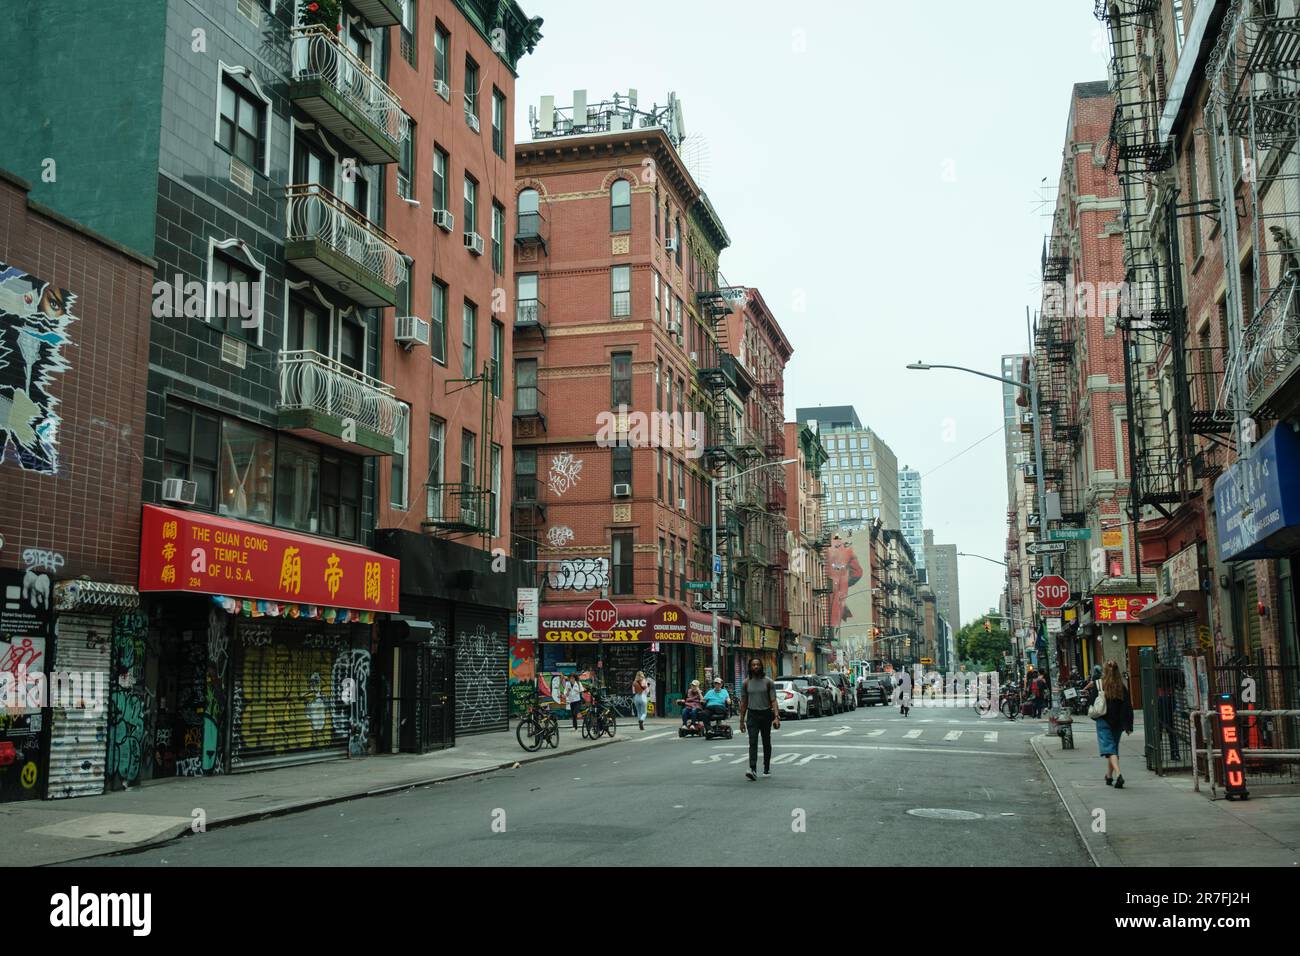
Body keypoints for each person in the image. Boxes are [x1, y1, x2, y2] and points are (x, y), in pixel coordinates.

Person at [1092, 660, 1135, 788]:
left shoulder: (1099, 685)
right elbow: (1127, 707)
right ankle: (1109, 776)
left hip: (1103, 720)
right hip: (1118, 723)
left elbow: (1092, 701)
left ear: (1104, 671)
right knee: (1113, 749)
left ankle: (1118, 774)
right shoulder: (1121, 687)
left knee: (1109, 750)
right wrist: (1128, 725)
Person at [738, 657, 780, 780]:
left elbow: (773, 700)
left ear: (761, 666)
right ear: (750, 667)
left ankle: (766, 767)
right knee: (753, 742)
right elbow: (743, 703)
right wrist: (741, 720)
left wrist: (776, 717)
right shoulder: (746, 683)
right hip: (752, 715)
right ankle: (752, 769)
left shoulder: (768, 682)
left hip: (766, 714)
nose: (755, 667)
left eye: (757, 664)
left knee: (766, 742)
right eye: (753, 665)